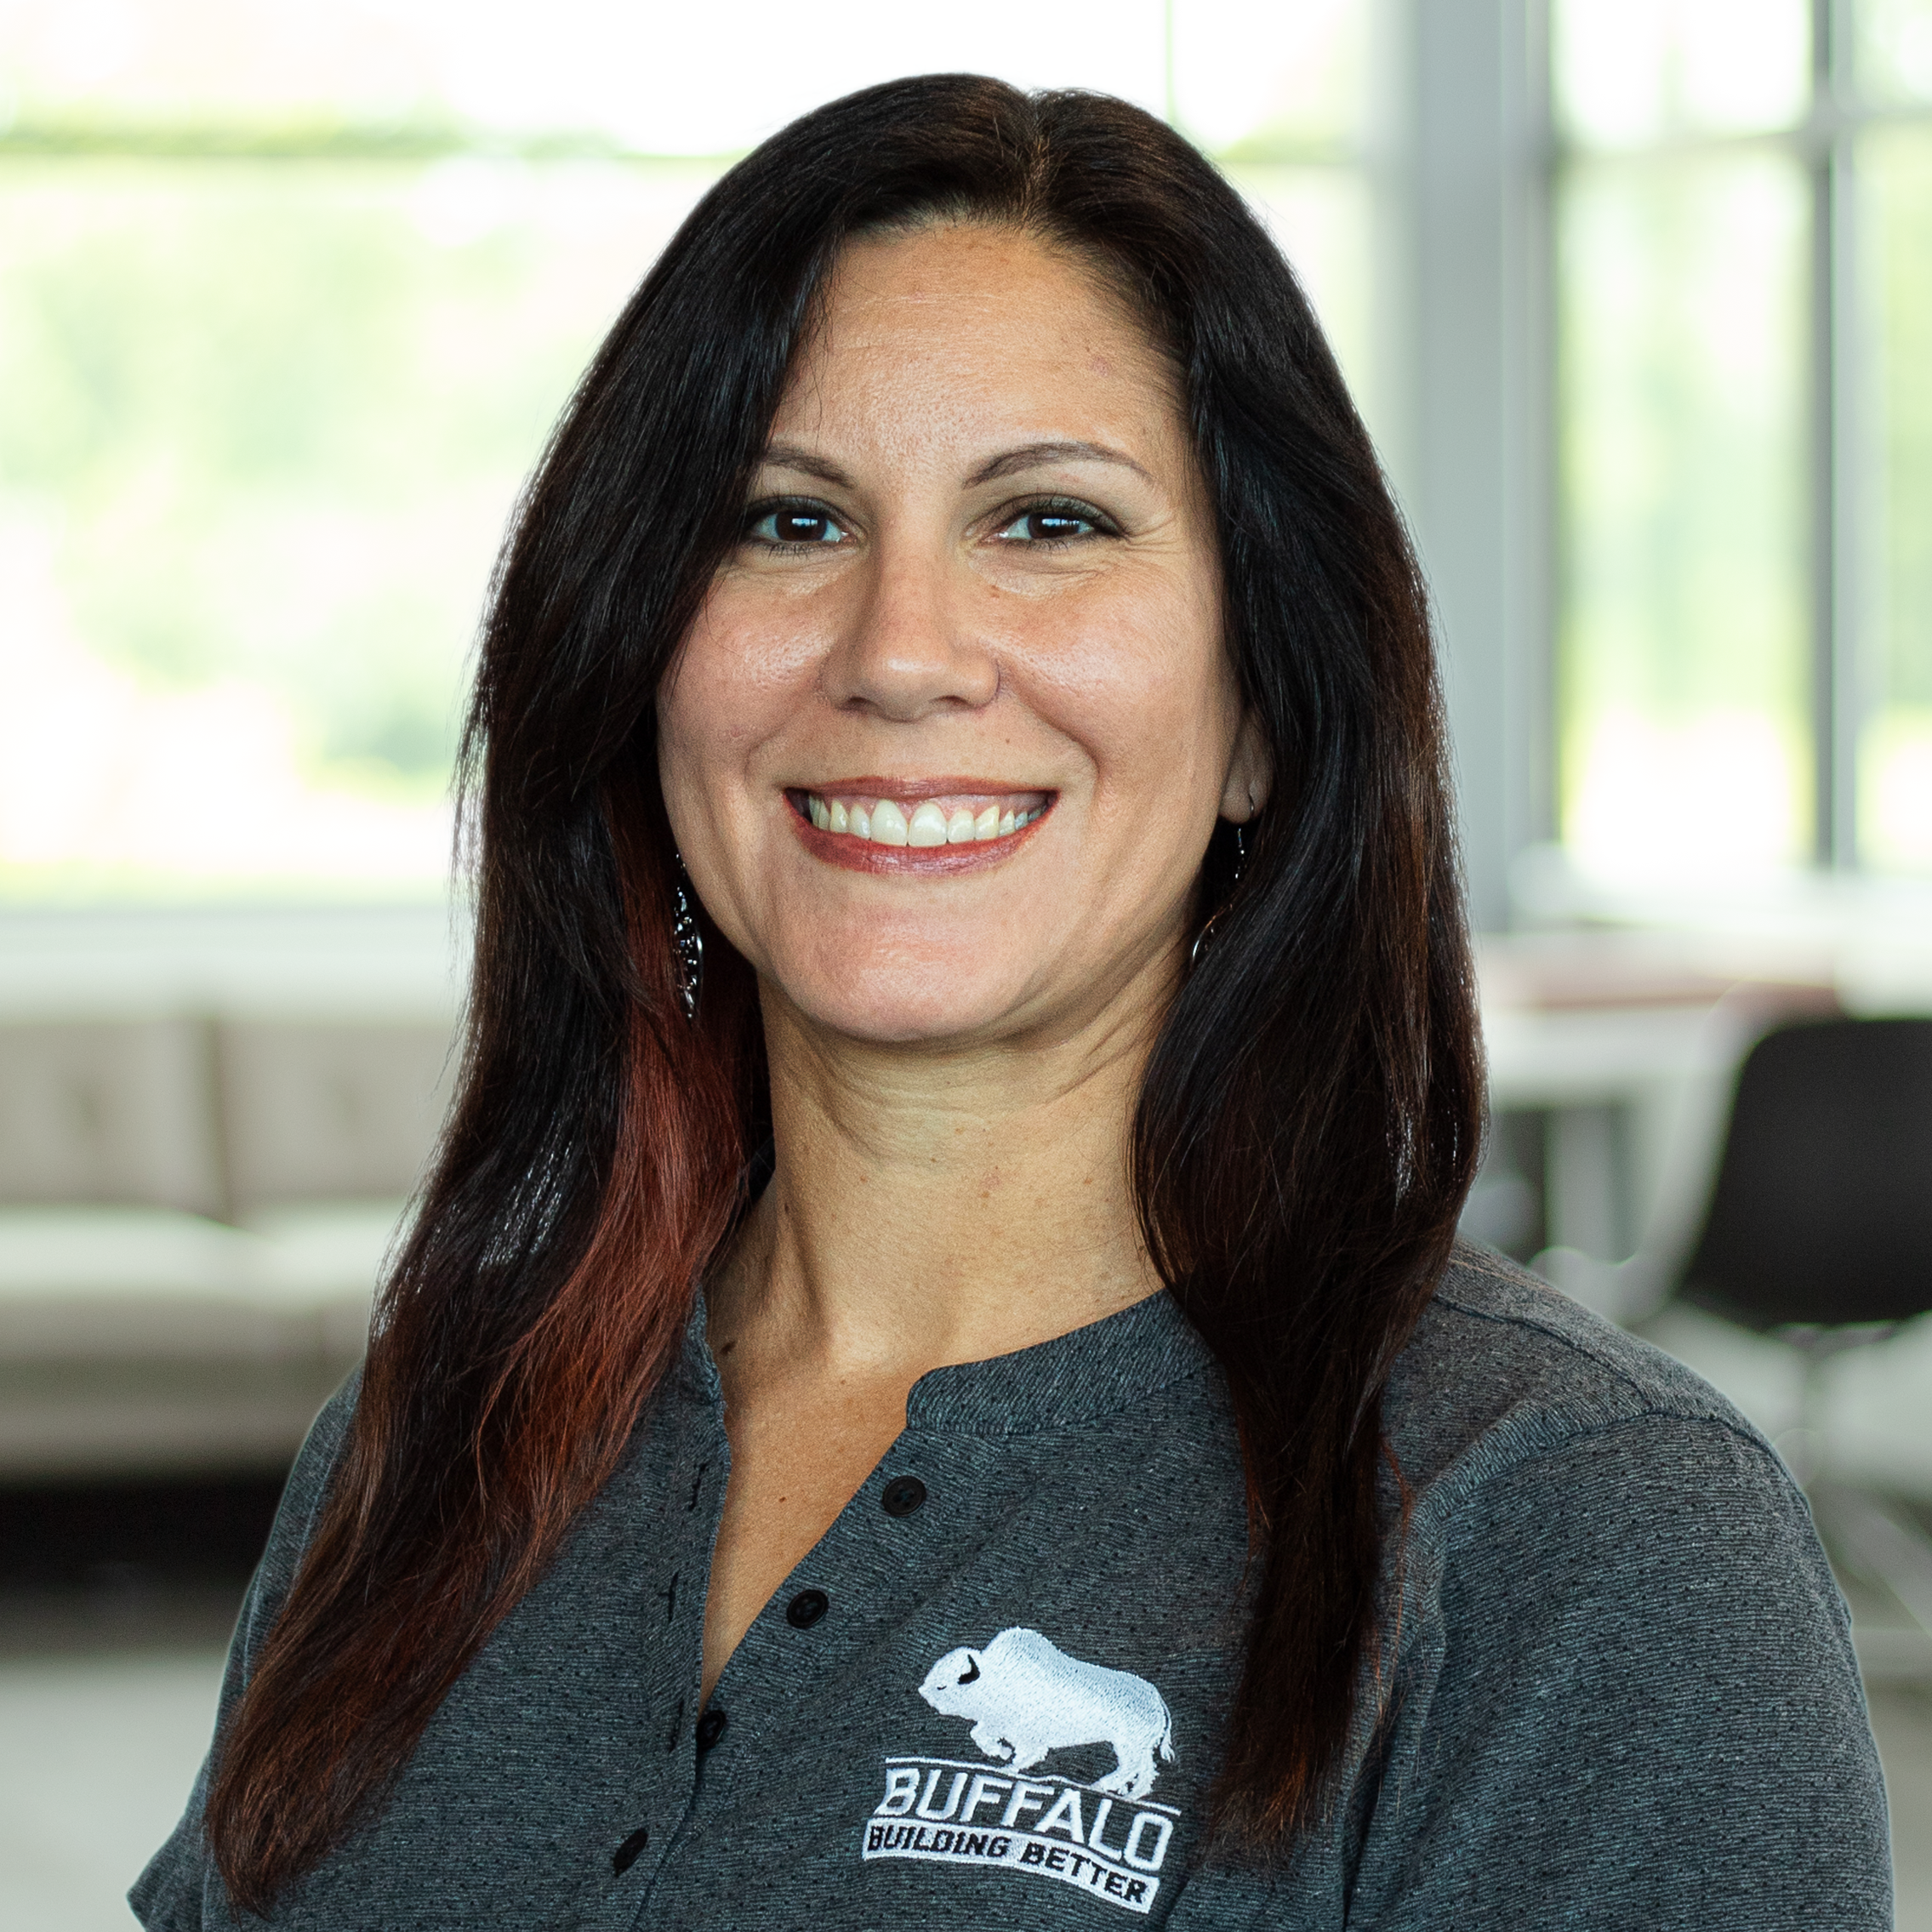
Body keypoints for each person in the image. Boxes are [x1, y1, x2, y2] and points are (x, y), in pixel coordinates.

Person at [134, 76, 1889, 1930]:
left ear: (1266, 714)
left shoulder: (1576, 1530)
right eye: (784, 524)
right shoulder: (440, 1439)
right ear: (641, 663)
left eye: (1049, 522)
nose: (897, 651)